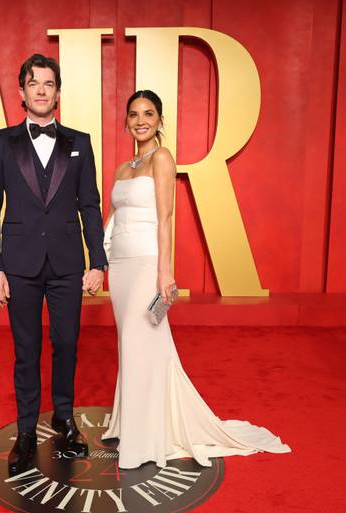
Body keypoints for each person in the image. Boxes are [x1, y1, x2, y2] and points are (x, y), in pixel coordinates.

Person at [101, 90, 291, 468]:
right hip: (120, 266)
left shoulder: (162, 158)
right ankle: (134, 423)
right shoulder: (123, 168)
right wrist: (98, 263)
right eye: (134, 114)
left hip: (145, 263)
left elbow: (165, 217)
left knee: (143, 345)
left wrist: (164, 271)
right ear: (126, 122)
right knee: (131, 345)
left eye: (149, 114)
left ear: (159, 120)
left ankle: (144, 439)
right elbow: (112, 219)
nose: (141, 121)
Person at [0, 54, 107, 476]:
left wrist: (97, 261)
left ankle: (64, 418)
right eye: (33, 83)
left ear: (57, 92)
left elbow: (89, 204)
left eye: (48, 83)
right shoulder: (0, 142)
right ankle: (26, 432)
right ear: (21, 92)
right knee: (26, 350)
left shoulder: (80, 142)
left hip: (69, 263)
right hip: (19, 265)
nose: (40, 90)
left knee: (67, 343)